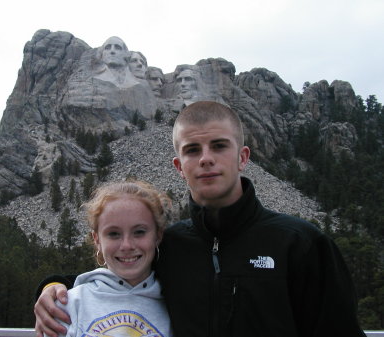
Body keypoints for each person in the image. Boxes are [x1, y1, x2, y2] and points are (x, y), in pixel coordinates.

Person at [35, 101, 365, 337]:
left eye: (219, 146)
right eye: (193, 150)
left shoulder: (301, 243)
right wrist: (52, 286)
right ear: (180, 166)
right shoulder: (171, 245)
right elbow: (115, 270)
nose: (206, 159)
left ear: (242, 157)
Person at [40, 181, 172, 337]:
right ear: (97, 240)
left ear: (158, 235)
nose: (126, 245)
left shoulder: (178, 304)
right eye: (113, 234)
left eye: (139, 232)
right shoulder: (70, 304)